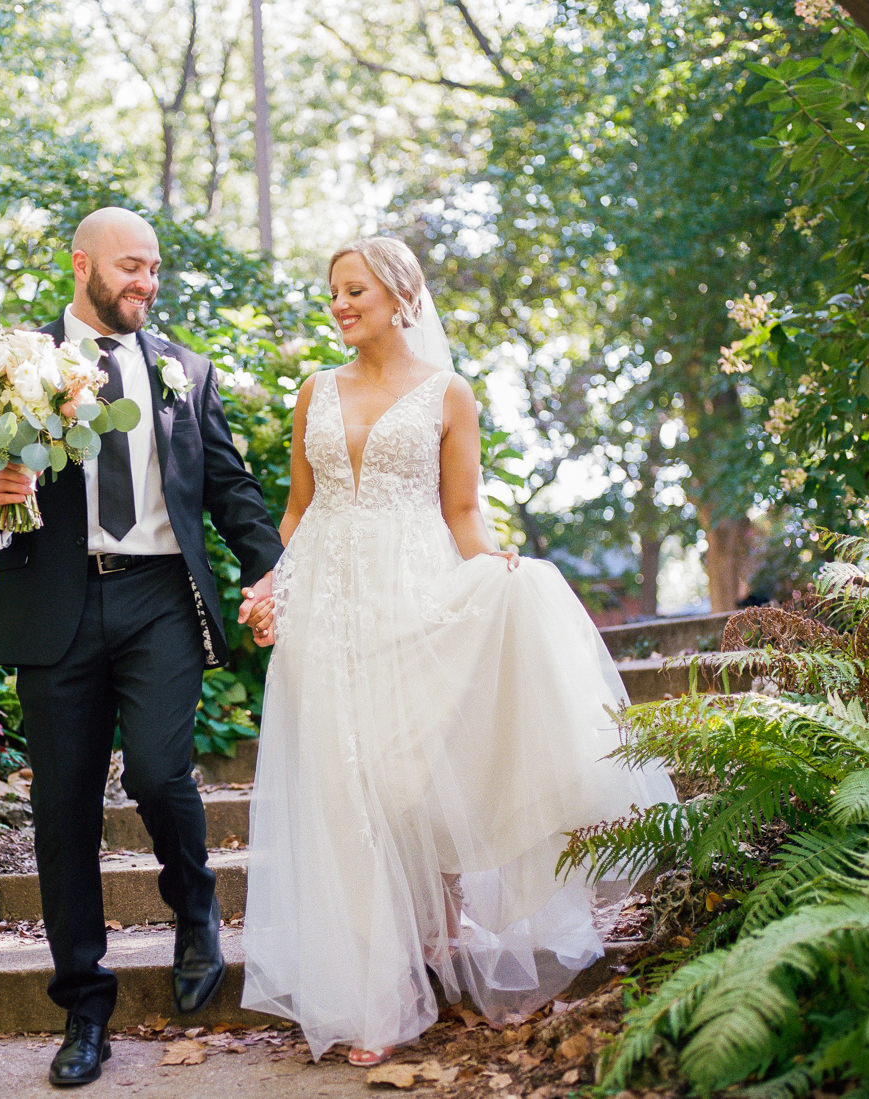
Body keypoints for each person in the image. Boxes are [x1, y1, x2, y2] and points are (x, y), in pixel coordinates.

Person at [237, 237, 676, 1065]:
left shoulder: (450, 395)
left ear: (401, 295)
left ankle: (435, 934)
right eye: (333, 291)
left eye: (354, 290)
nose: (338, 304)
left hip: (415, 599)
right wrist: (270, 589)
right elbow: (298, 510)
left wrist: (501, 573)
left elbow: (463, 514)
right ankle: (372, 1000)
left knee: (406, 784)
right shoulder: (314, 392)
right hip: (325, 608)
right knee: (345, 788)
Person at [0, 207, 283, 1087]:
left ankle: (196, 904)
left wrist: (271, 571)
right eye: (131, 266)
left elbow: (229, 487)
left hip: (158, 597)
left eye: (155, 269)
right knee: (62, 811)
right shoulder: (9, 366)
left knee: (158, 772)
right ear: (82, 264)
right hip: (54, 604)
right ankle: (84, 1012)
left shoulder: (184, 370)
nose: (146, 282)